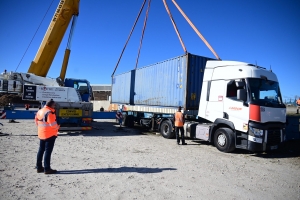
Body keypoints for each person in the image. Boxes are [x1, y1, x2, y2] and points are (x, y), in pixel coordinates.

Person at [35, 99, 60, 174]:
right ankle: (47, 168)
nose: (55, 106)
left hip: (41, 134)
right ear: (51, 105)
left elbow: (36, 121)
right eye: (54, 105)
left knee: (41, 150)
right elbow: (53, 125)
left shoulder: (40, 111)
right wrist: (58, 127)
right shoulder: (50, 113)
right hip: (50, 134)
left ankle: (39, 167)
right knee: (48, 152)